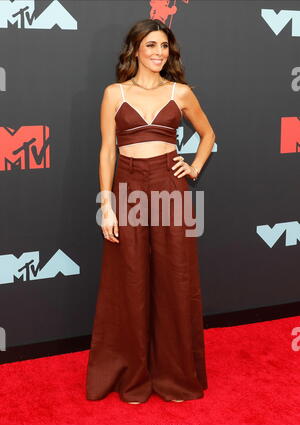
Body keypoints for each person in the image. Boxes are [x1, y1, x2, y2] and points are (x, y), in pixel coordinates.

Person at [86, 18, 215, 404]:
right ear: (136, 49)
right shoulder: (114, 93)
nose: (159, 53)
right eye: (152, 45)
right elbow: (107, 149)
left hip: (169, 187)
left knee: (175, 279)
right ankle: (133, 374)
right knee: (129, 280)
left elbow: (208, 133)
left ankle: (175, 375)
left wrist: (193, 166)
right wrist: (105, 203)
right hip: (126, 187)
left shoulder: (181, 92)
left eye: (165, 46)